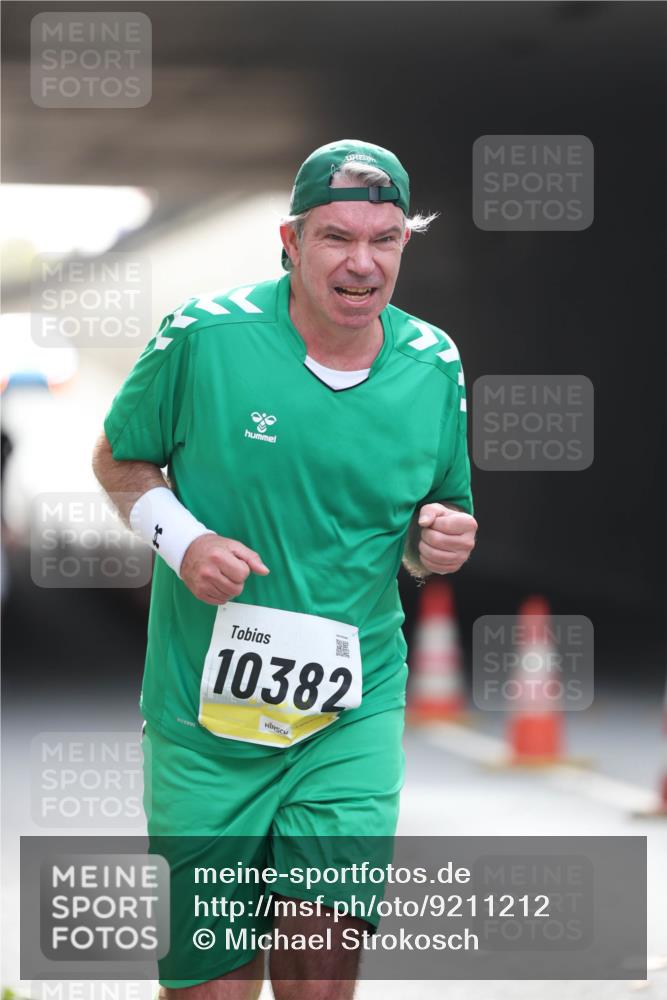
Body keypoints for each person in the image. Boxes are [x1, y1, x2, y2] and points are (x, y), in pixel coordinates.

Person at [93, 138, 477, 1000]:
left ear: (404, 246)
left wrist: (436, 542)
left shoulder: (434, 363)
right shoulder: (205, 336)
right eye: (337, 237)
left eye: (383, 239)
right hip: (204, 718)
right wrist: (183, 540)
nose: (361, 262)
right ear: (291, 241)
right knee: (211, 987)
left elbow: (424, 526)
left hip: (348, 710)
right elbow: (120, 459)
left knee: (320, 970)